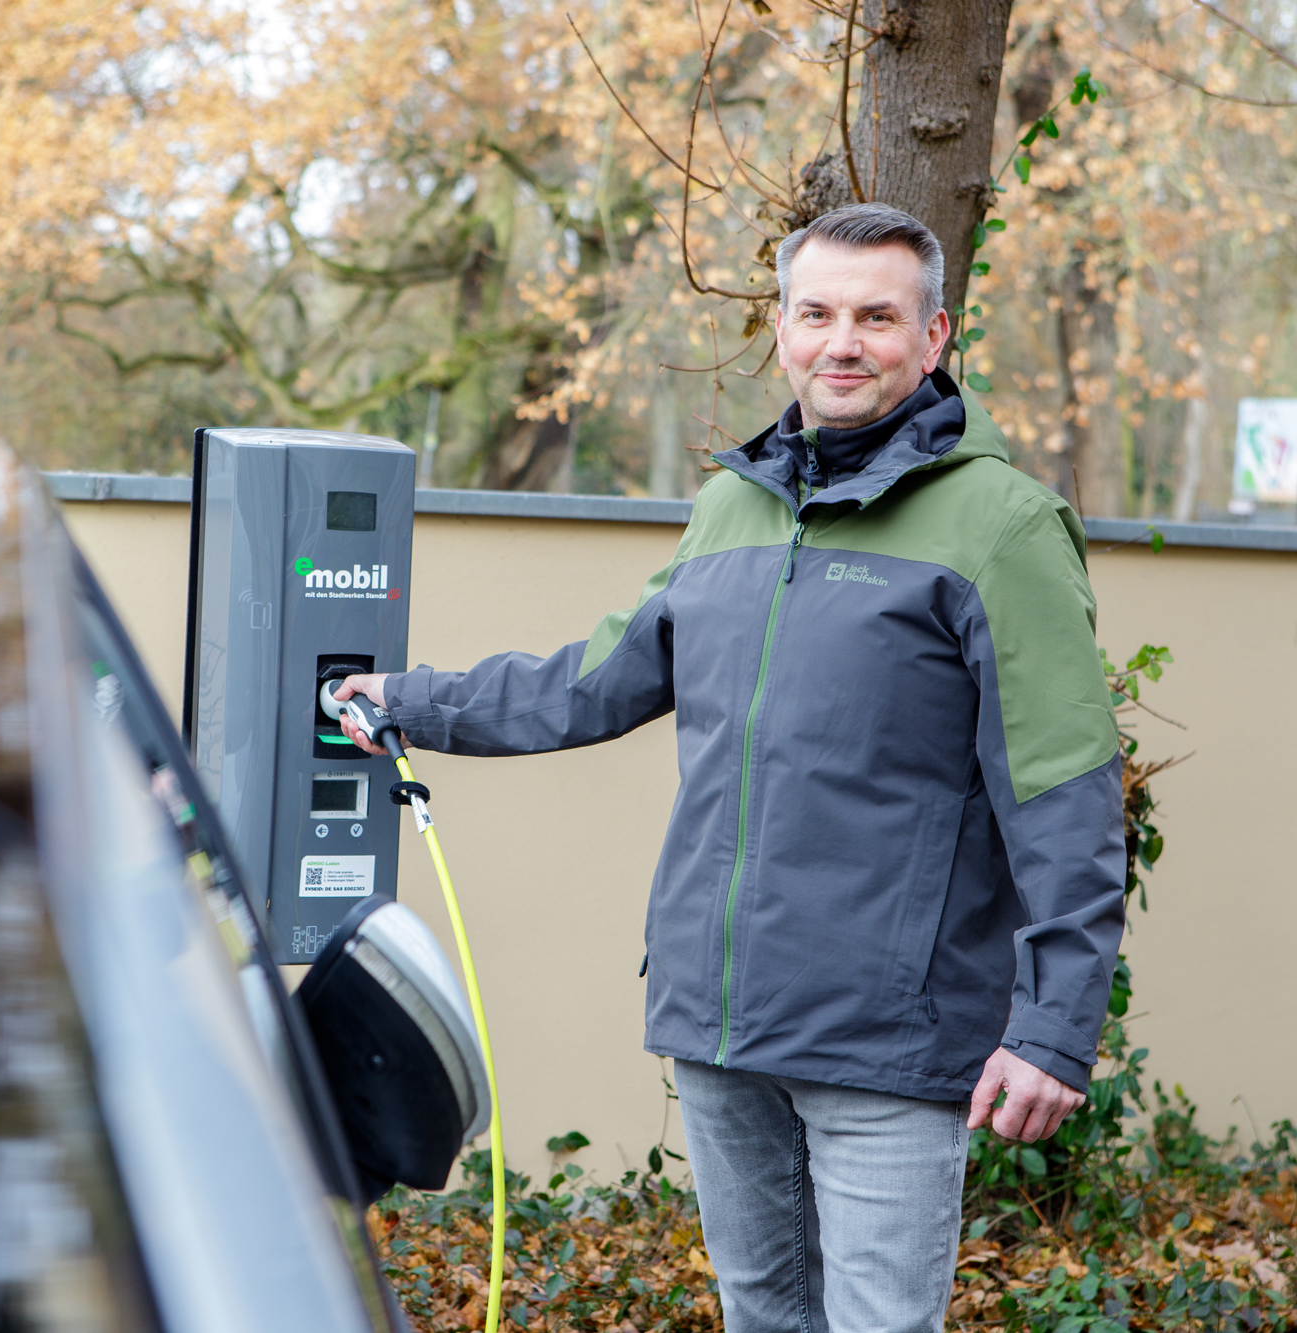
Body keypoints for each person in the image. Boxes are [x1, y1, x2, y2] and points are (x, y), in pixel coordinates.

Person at [335, 203, 1125, 1333]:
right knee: (761, 1316)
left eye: (875, 316)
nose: (840, 341)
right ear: (781, 327)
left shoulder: (997, 526)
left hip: (886, 1041)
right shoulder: (729, 506)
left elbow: (1063, 790)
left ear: (934, 335)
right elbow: (592, 682)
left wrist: (1050, 1026)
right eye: (815, 312)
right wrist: (409, 702)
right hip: (718, 1024)